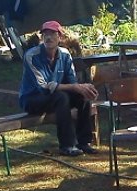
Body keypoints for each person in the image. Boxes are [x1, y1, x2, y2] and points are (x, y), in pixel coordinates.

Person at [18, 21, 98, 157]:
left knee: (81, 96)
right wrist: (75, 87)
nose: (48, 38)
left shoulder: (65, 55)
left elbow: (72, 82)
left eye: (52, 34)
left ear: (60, 37)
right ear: (42, 38)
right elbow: (43, 86)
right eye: (45, 35)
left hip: (55, 96)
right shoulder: (31, 56)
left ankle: (84, 142)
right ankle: (67, 145)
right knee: (62, 98)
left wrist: (84, 89)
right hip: (32, 99)